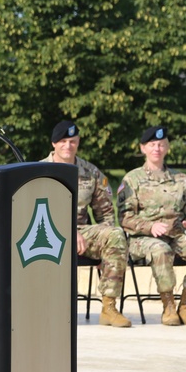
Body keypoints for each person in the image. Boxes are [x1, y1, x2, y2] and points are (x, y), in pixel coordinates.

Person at [117, 125, 186, 326]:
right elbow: (125, 218)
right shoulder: (132, 179)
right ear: (143, 148)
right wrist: (149, 227)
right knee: (160, 249)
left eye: (161, 144)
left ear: (167, 148)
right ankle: (168, 306)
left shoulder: (180, 179)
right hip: (143, 239)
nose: (157, 149)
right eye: (152, 145)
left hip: (177, 235)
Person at [40, 120, 131, 328]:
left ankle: (109, 307)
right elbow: (35, 213)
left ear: (78, 142)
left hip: (84, 234)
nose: (68, 146)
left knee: (115, 235)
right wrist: (68, 232)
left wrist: (104, 247)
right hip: (46, 234)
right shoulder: (39, 171)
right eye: (63, 141)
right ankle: (46, 310)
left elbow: (106, 213)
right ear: (53, 144)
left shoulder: (90, 173)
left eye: (72, 141)